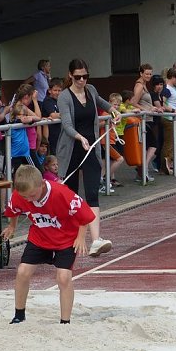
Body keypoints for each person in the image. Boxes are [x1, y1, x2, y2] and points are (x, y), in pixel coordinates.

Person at [1, 165, 95, 324]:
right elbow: (14, 210)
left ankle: (65, 321)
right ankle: (19, 315)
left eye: (32, 195)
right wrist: (12, 226)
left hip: (66, 239)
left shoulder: (62, 193)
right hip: (40, 237)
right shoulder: (20, 195)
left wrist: (81, 237)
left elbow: (85, 215)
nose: (29, 200)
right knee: (23, 271)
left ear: (42, 184)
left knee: (64, 277)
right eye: (25, 197)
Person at [55, 58, 116, 257]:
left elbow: (101, 102)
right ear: (70, 76)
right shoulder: (64, 97)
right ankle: (68, 237)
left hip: (91, 149)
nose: (82, 80)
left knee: (92, 192)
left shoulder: (91, 90)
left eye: (85, 76)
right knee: (70, 197)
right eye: (78, 77)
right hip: (72, 150)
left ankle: (96, 239)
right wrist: (79, 137)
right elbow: (66, 124)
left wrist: (114, 110)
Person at [129, 64, 158, 182]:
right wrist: (147, 110)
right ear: (141, 73)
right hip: (143, 120)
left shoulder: (144, 85)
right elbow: (133, 102)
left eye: (150, 74)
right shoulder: (139, 86)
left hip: (148, 119)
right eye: (146, 73)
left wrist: (153, 108)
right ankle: (143, 169)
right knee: (153, 144)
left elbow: (143, 102)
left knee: (146, 146)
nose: (149, 76)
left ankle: (142, 171)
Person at [40, 78, 63, 151]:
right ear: (49, 90)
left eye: (59, 90)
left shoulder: (60, 101)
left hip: (59, 135)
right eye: (55, 90)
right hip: (50, 136)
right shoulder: (48, 101)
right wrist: (67, 114)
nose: (57, 93)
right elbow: (53, 115)